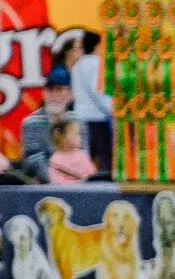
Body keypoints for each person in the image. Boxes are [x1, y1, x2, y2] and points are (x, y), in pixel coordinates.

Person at [19, 65, 76, 182]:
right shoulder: (31, 122)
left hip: (74, 181)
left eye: (59, 89)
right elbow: (34, 159)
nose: (54, 95)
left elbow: (83, 154)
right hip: (41, 184)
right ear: (44, 93)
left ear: (70, 94)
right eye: (50, 90)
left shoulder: (78, 121)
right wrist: (54, 181)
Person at [71, 31, 114, 174]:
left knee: (85, 158)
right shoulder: (96, 63)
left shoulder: (77, 65)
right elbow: (99, 91)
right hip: (96, 119)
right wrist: (112, 109)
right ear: (97, 45)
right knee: (105, 162)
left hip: (80, 117)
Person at [47, 119, 97, 184]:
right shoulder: (56, 160)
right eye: (77, 134)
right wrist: (79, 182)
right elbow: (57, 183)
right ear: (64, 138)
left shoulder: (82, 155)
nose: (80, 137)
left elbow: (92, 175)